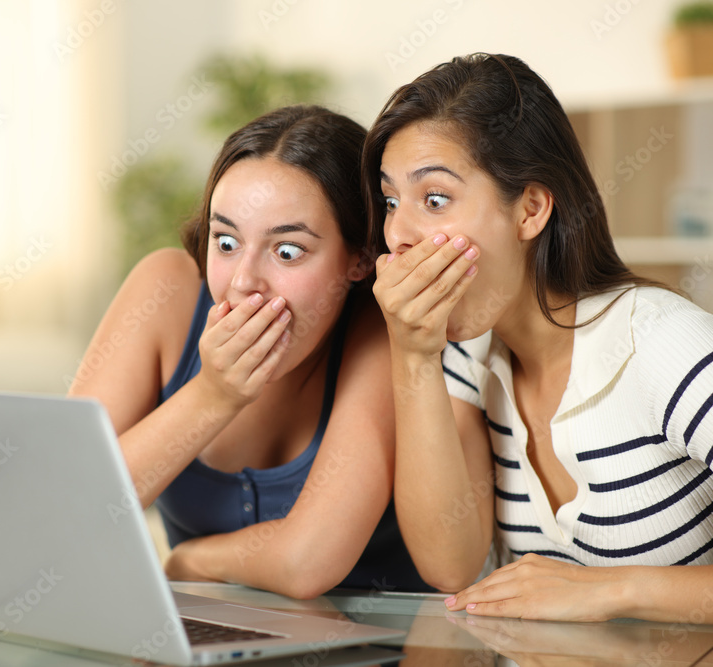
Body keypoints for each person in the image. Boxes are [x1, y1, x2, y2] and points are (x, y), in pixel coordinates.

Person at [366, 52, 713, 622]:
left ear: (530, 208)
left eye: (434, 199)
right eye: (390, 202)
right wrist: (413, 356)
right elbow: (449, 566)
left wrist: (613, 591)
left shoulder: (666, 346)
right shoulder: (463, 355)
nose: (398, 235)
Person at [69, 104, 430, 598]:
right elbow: (67, 511)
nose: (242, 284)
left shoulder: (381, 330)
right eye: (225, 241)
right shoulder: (165, 291)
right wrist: (213, 395)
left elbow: (308, 561)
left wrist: (191, 560)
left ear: (361, 258)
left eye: (287, 252)